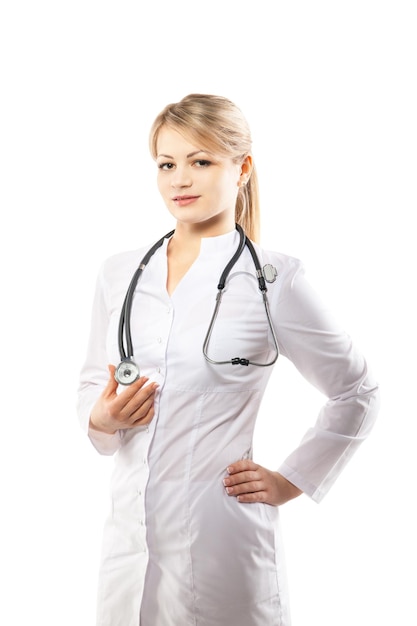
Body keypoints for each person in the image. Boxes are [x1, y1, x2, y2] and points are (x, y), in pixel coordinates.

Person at [77, 93, 380, 626]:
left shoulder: (274, 280)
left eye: (201, 161)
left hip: (222, 543)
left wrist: (292, 479)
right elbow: (89, 384)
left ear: (241, 169)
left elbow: (357, 391)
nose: (180, 180)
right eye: (167, 164)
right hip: (128, 540)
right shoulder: (119, 275)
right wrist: (100, 419)